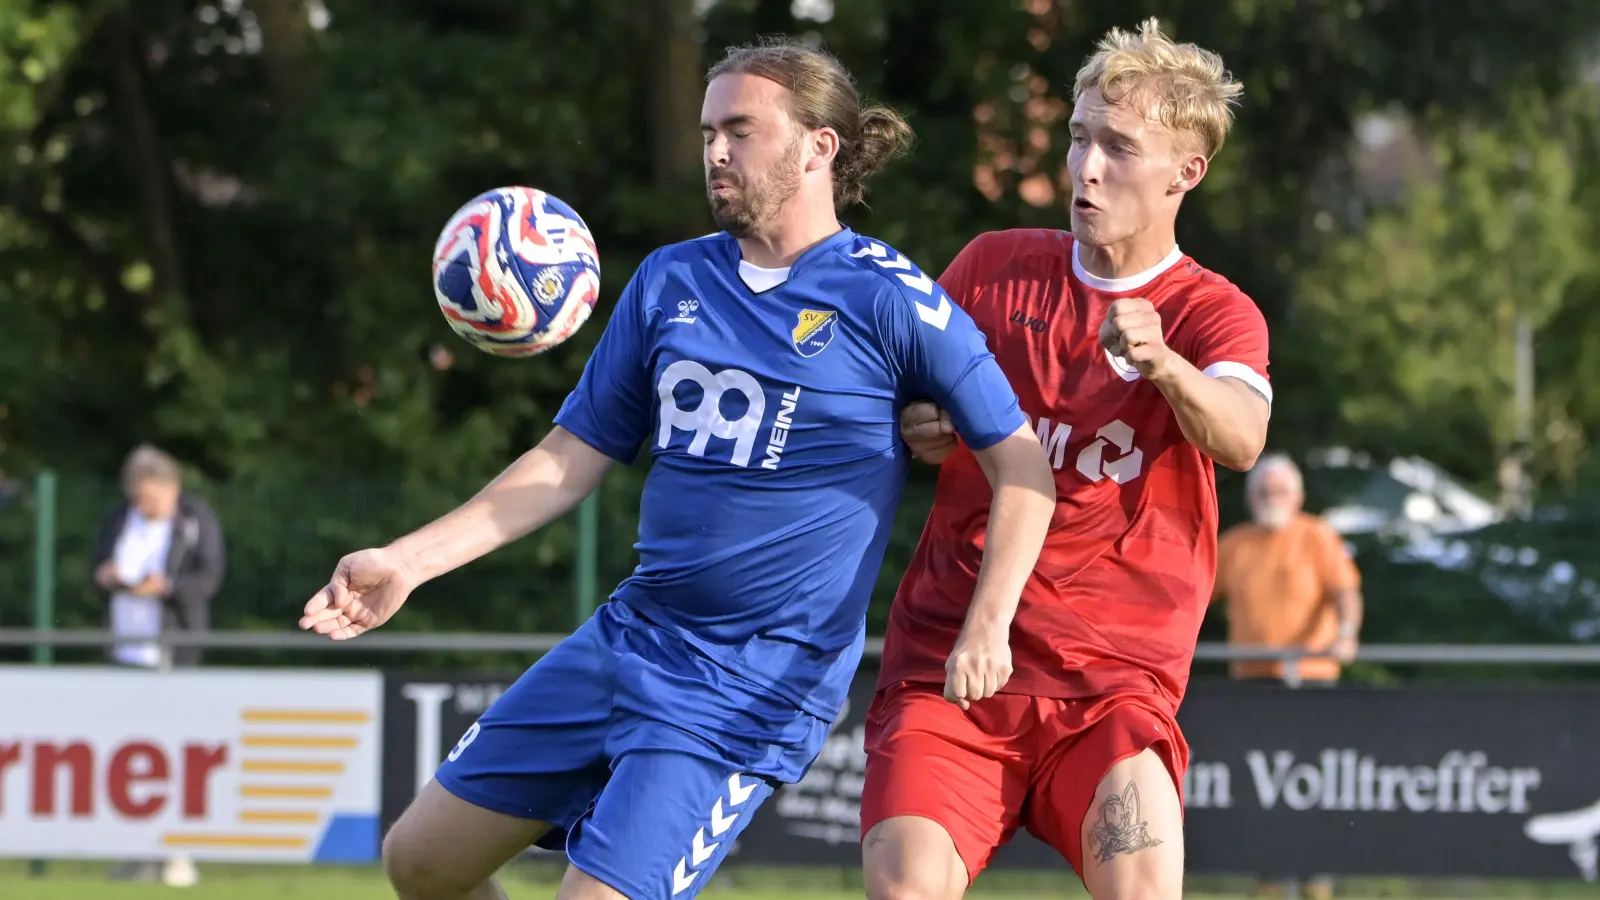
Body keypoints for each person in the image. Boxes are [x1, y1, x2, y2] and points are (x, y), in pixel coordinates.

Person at [299, 38, 1056, 900]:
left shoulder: (889, 297)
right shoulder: (670, 279)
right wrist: (405, 562)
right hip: (631, 636)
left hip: (751, 683)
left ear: (819, 147)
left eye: (741, 129)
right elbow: (565, 460)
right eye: (707, 132)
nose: (716, 151)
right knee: (421, 862)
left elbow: (1025, 470)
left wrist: (987, 622)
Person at [860, 19, 1271, 900]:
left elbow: (1240, 436)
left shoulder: (1211, 313)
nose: (1085, 167)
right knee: (903, 889)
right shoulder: (992, 268)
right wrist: (916, 418)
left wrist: (1166, 365)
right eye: (1080, 136)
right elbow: (890, 395)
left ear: (1185, 172)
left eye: (1119, 147)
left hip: (1110, 687)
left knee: (1145, 889)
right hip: (953, 670)